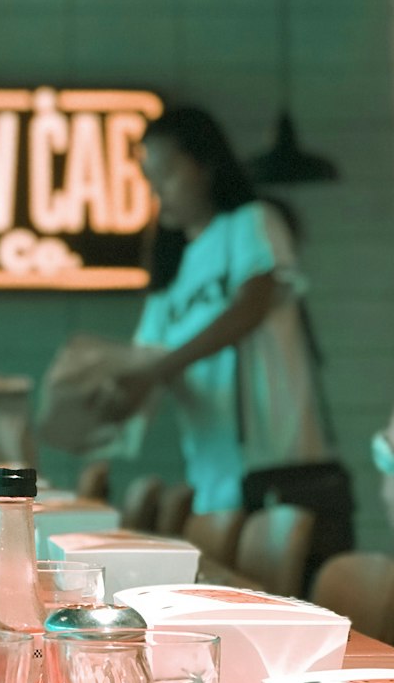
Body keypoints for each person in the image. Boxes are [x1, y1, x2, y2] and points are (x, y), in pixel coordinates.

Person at [96, 106, 328, 515]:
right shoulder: (170, 279)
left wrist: (161, 368)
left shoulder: (252, 224)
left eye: (167, 175)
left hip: (282, 468)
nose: (158, 191)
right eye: (150, 182)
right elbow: (141, 368)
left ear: (206, 165)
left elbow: (250, 307)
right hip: (213, 482)